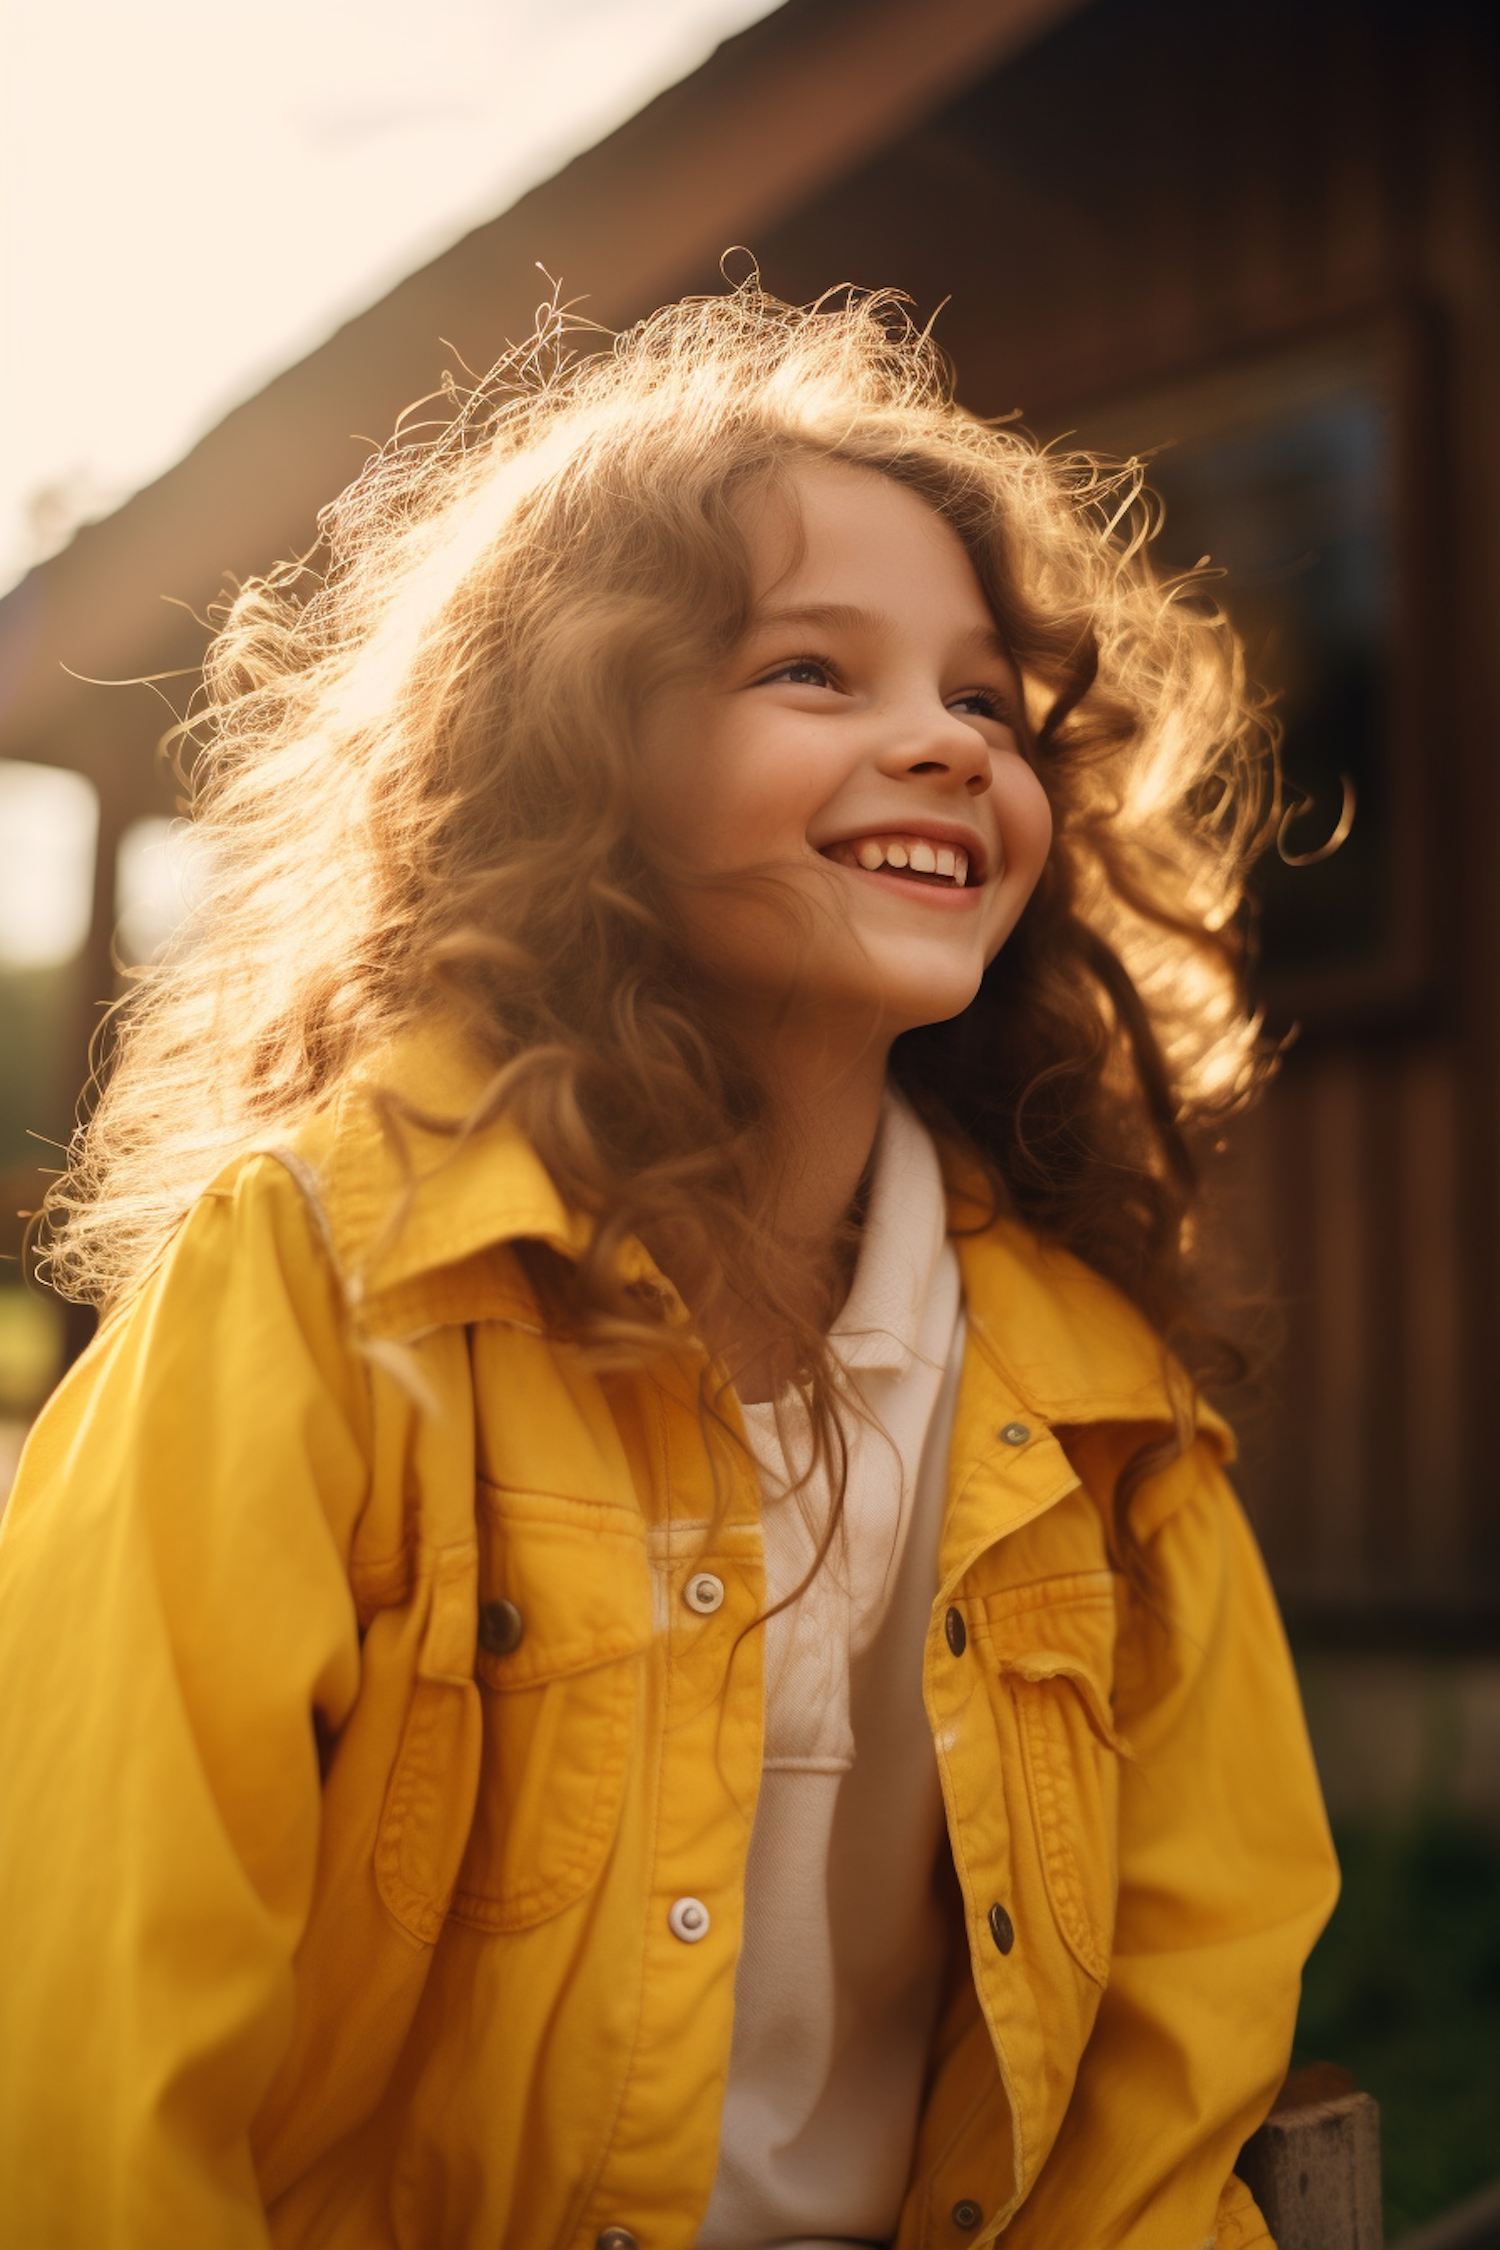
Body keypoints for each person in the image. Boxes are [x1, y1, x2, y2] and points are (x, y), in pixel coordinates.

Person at [0, 284, 1337, 2250]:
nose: (945, 747)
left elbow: (1184, 2039)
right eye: (819, 671)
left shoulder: (1109, 1417)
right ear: (577, 749)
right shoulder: (310, 1291)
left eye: (985, 701)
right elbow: (100, 2044)